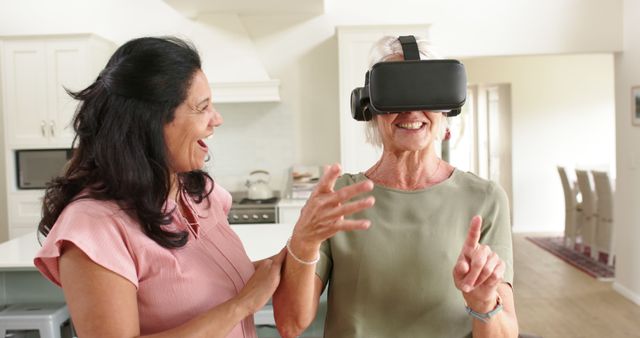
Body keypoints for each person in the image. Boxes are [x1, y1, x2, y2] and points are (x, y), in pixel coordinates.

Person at [33, 36, 374, 338]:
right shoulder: (94, 228)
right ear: (149, 123)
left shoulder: (197, 195)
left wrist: (305, 236)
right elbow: (237, 299)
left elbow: (215, 284)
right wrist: (240, 306)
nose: (217, 119)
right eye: (201, 107)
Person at [272, 36, 519, 338]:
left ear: (446, 106)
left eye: (426, 93)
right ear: (369, 108)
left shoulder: (486, 198)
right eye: (397, 93)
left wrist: (484, 303)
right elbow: (289, 323)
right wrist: (304, 239)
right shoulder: (338, 197)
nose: (411, 109)